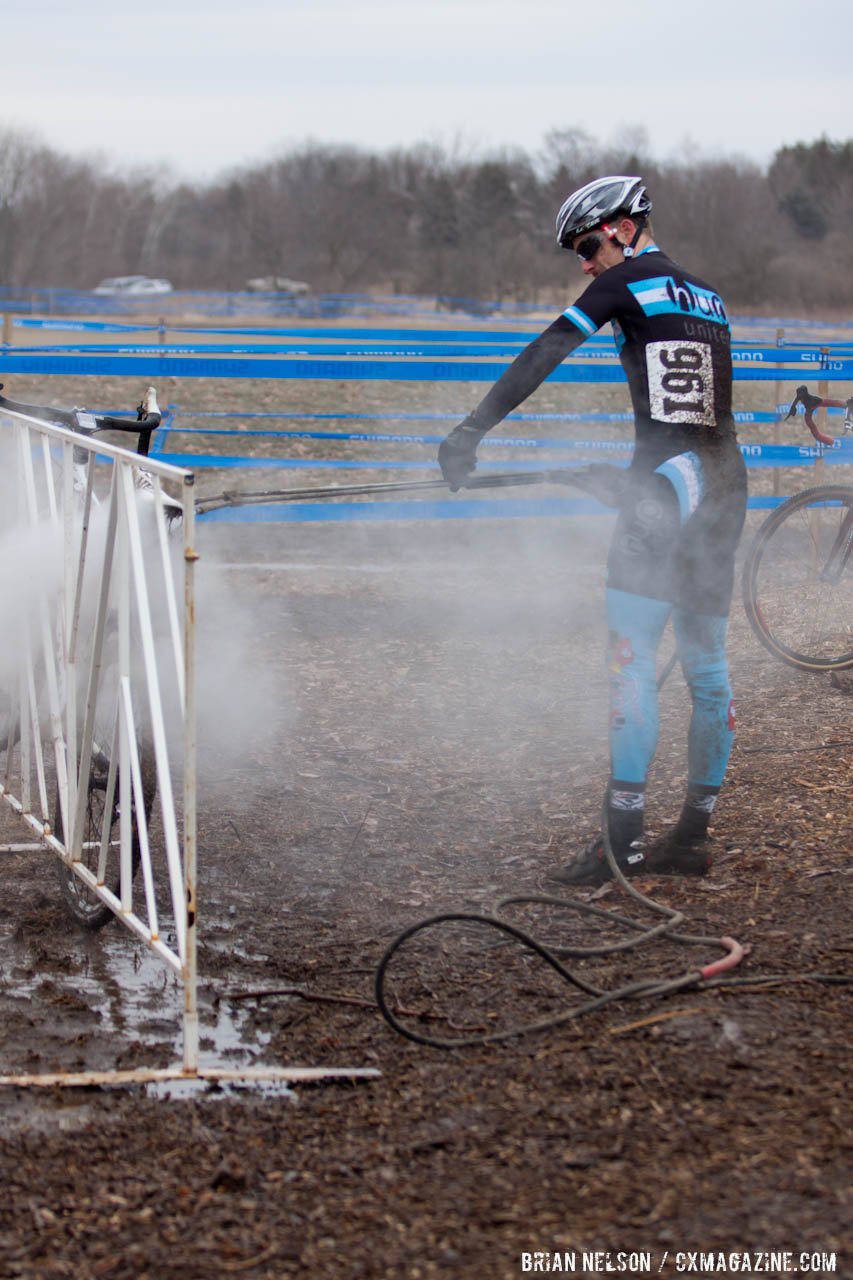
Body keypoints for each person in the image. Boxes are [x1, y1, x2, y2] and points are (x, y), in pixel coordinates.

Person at [438, 175, 748, 885]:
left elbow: (543, 353)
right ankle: (692, 839)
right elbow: (697, 415)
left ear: (623, 229)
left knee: (630, 656)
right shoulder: (707, 294)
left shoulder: (624, 281)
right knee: (705, 665)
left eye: (584, 246)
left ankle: (624, 845)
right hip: (724, 482)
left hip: (668, 483)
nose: (582, 264)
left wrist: (469, 430)